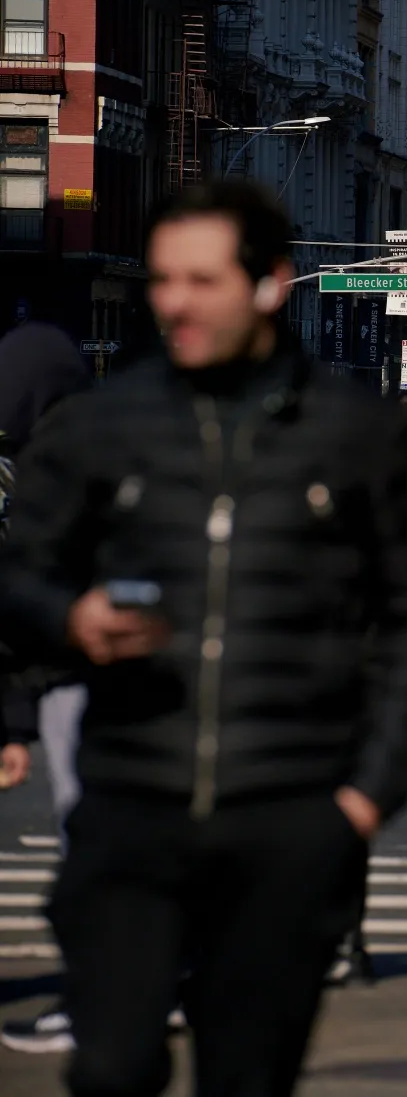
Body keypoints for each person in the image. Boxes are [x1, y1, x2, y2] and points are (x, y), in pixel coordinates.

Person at [0, 180, 407, 1092]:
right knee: (113, 1064)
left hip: (286, 815)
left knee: (249, 1072)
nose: (175, 301)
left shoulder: (352, 435)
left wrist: (366, 796)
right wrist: (69, 618)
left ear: (271, 284)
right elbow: (22, 578)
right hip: (133, 804)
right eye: (165, 279)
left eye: (202, 280)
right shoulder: (103, 425)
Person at [0, 324, 93, 1055]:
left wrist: (18, 714)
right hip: (110, 677)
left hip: (76, 679)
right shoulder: (108, 445)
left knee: (88, 841)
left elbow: (35, 598)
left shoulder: (50, 469)